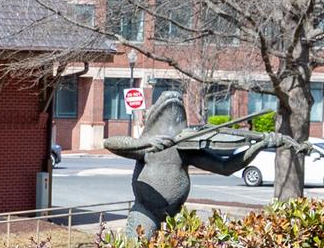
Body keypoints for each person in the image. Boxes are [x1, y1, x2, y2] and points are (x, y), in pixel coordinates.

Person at [103, 94, 289, 236]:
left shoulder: (187, 147)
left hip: (177, 216)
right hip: (145, 212)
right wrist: (146, 143)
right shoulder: (147, 146)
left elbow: (226, 168)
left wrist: (259, 145)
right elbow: (111, 143)